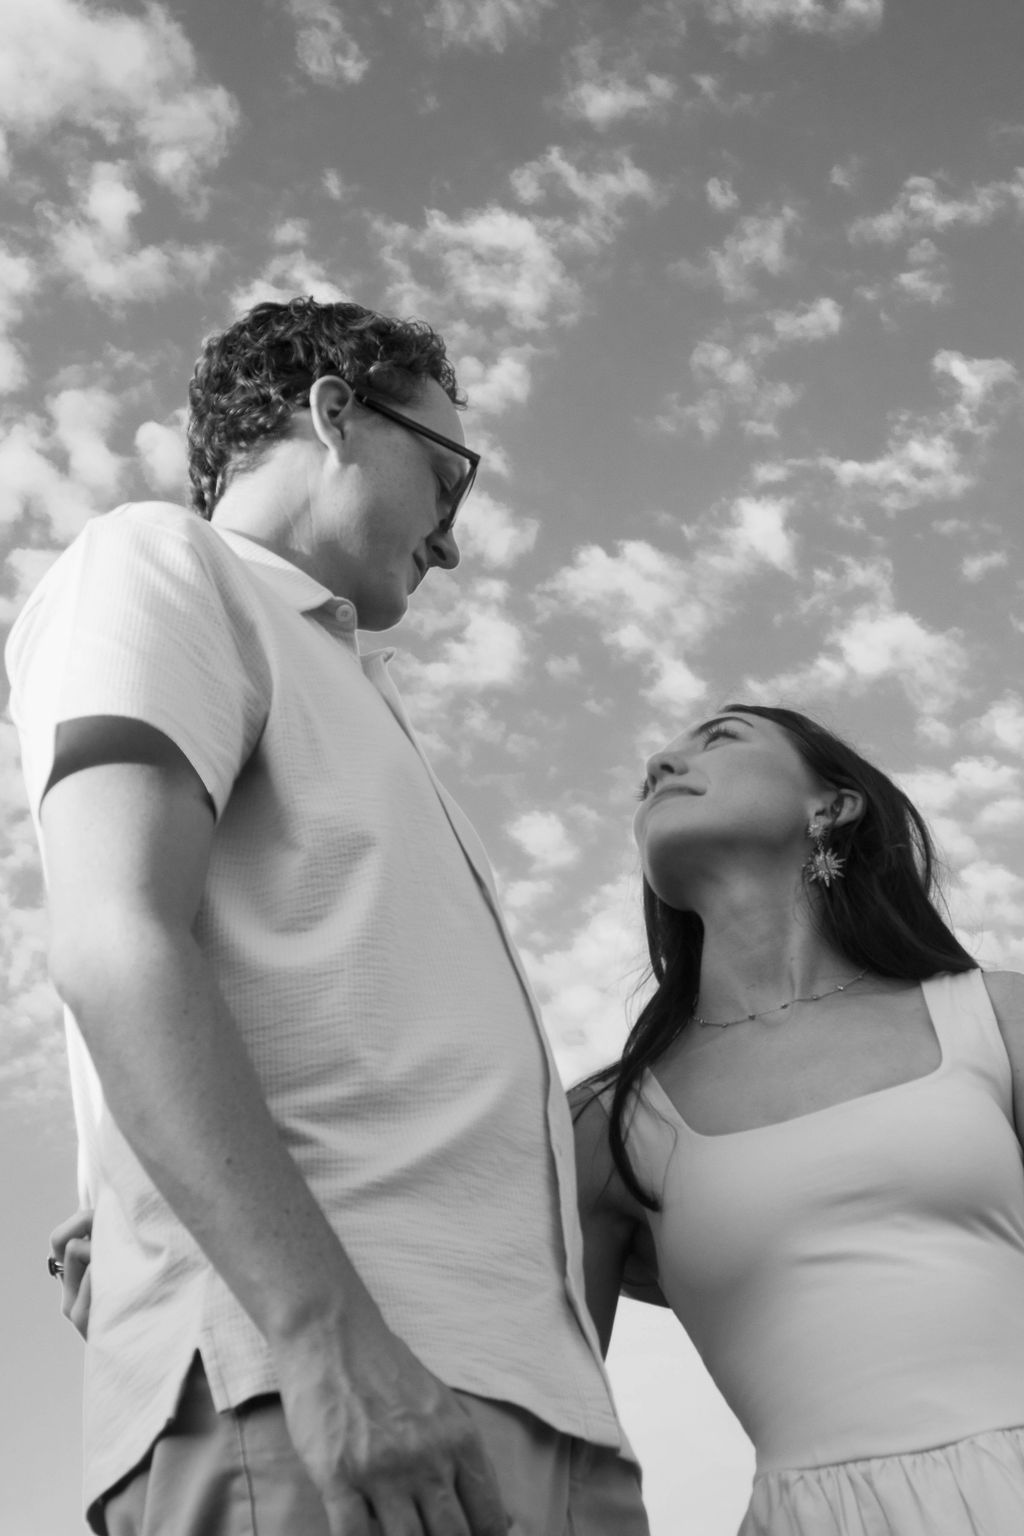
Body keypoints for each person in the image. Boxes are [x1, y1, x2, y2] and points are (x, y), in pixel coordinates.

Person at [6, 297, 648, 1536]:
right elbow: (110, 938)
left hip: (523, 1420)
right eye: (448, 476)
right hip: (336, 1394)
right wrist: (322, 1337)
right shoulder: (158, 563)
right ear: (334, 411)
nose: (453, 545)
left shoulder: (352, 687)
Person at [571, 702, 1024, 1534]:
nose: (661, 764)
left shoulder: (999, 1019)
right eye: (650, 772)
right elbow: (556, 1445)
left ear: (832, 806)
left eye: (719, 738)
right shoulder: (603, 1127)